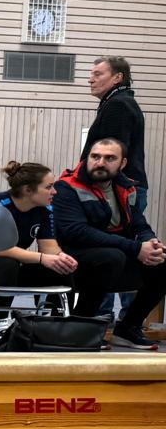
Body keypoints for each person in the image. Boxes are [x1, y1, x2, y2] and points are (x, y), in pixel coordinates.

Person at [51, 138, 166, 351]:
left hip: (114, 254)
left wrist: (150, 242)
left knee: (162, 261)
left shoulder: (126, 187)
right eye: (95, 157)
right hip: (72, 257)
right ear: (87, 158)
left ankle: (128, 329)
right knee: (111, 258)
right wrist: (135, 248)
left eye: (109, 158)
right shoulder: (66, 187)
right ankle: (79, 327)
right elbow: (76, 232)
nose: (101, 162)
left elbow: (139, 224)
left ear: (123, 163)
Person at [0, 160, 83, 327]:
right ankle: (0, 325)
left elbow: (49, 247)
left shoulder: (45, 208)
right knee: (7, 263)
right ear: (27, 190)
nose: (54, 191)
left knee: (60, 267)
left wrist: (61, 257)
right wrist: (42, 258)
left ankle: (56, 326)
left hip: (11, 269)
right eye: (49, 187)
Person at [80, 56, 148, 322]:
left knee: (111, 249)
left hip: (116, 189)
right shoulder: (119, 102)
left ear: (118, 78)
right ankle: (117, 317)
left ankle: (105, 316)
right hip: (120, 187)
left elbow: (111, 156)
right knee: (121, 247)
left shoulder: (118, 105)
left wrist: (86, 184)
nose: (90, 79)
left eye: (98, 74)